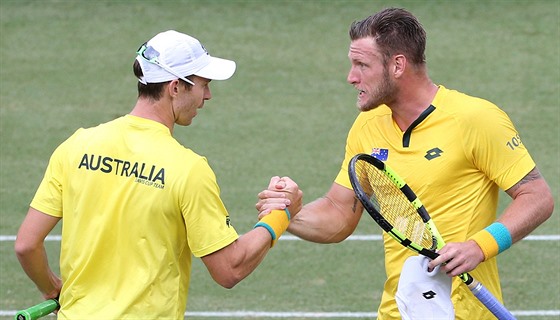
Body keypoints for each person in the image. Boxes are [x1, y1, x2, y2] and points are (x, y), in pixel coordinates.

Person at [256, 7, 554, 320]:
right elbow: (339, 213)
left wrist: (479, 246)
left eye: (362, 65)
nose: (351, 77)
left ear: (398, 65)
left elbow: (537, 197)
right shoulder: (368, 126)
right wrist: (290, 212)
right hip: (397, 313)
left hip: (464, 313)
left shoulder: (475, 119)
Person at [14, 30, 302, 319]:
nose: (208, 96)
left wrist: (52, 289)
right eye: (204, 85)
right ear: (175, 87)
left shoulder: (76, 146)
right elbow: (229, 268)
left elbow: (27, 245)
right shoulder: (188, 169)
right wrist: (279, 216)